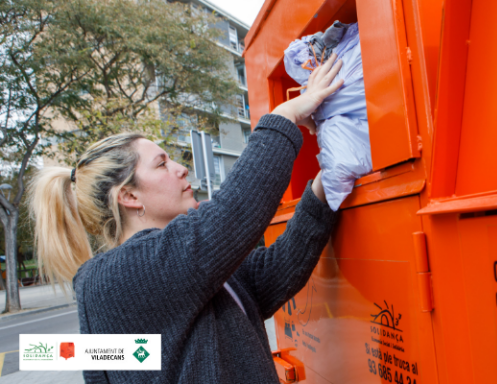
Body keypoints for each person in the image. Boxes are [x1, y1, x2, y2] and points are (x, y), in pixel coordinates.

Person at [28, 54, 345, 383]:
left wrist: (326, 182)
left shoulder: (182, 266)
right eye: (161, 164)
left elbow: (272, 274)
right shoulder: (120, 277)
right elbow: (232, 215)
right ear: (129, 196)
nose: (181, 169)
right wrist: (286, 114)